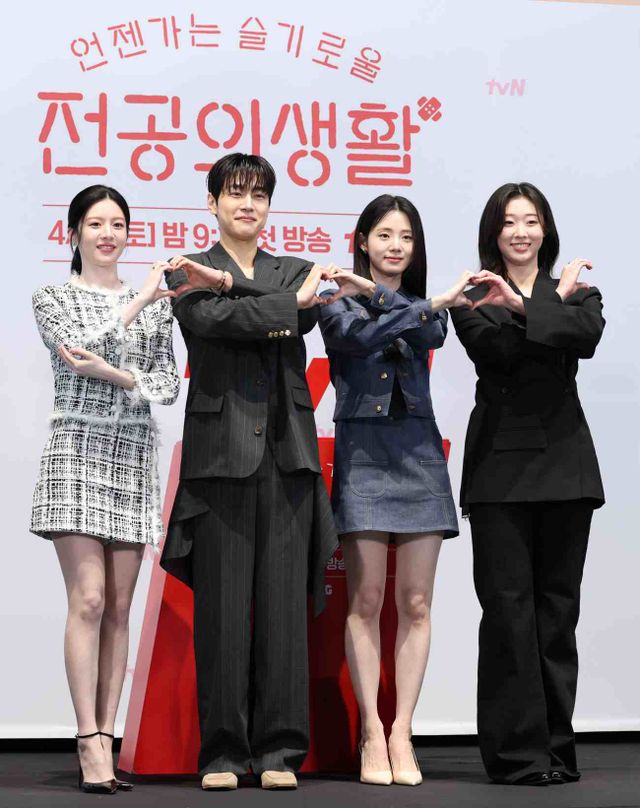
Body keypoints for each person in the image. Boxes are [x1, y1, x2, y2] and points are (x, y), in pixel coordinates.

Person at [159, 153, 337, 791]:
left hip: (288, 453)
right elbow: (211, 320)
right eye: (235, 193)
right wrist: (276, 304)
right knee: (223, 611)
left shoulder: (292, 267)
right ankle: (223, 754)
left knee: (284, 608)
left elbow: (308, 310)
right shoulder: (186, 270)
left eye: (258, 195)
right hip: (220, 456)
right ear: (212, 203)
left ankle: (280, 752)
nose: (247, 205)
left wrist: (238, 290)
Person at [450, 182, 605, 786]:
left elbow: (583, 338)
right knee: (508, 614)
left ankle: (558, 752)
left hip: (566, 468)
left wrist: (532, 306)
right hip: (499, 471)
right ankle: (519, 756)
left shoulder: (579, 292)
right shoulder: (471, 296)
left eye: (531, 221)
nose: (521, 232)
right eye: (510, 221)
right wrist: (540, 309)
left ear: (546, 229)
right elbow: (498, 356)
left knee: (557, 615)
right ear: (494, 232)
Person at [31, 185, 180, 793]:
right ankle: (87, 737)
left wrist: (116, 375)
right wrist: (139, 298)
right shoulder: (52, 297)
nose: (108, 234)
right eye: (95, 224)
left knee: (119, 608)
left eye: (118, 223)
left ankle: (108, 736)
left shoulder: (162, 312)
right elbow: (77, 349)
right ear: (74, 234)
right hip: (75, 453)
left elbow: (168, 385)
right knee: (89, 599)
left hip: (134, 455)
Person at [317, 195, 470, 786]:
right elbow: (355, 339)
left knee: (417, 603)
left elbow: (430, 331)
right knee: (365, 599)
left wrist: (388, 296)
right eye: (384, 235)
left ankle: (402, 729)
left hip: (419, 457)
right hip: (363, 456)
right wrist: (382, 297)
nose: (395, 246)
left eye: (405, 237)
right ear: (363, 240)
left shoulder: (430, 310)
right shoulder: (335, 300)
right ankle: (371, 733)